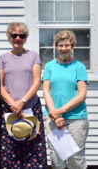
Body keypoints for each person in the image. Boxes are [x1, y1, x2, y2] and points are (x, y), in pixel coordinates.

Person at [0, 22, 47, 168]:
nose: (18, 38)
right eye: (14, 35)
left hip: (30, 106)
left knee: (31, 145)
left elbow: (36, 83)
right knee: (9, 148)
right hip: (7, 108)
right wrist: (13, 104)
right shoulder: (2, 58)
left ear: (25, 38)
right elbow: (0, 86)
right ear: (9, 37)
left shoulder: (33, 56)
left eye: (21, 36)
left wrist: (21, 102)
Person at [43, 30, 89, 169]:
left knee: (76, 157)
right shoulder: (49, 66)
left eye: (67, 45)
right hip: (52, 117)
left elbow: (81, 95)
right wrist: (55, 115)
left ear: (72, 46)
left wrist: (60, 111)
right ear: (56, 46)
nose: (63, 49)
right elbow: (46, 91)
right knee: (56, 157)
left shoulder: (79, 67)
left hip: (76, 118)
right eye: (60, 45)